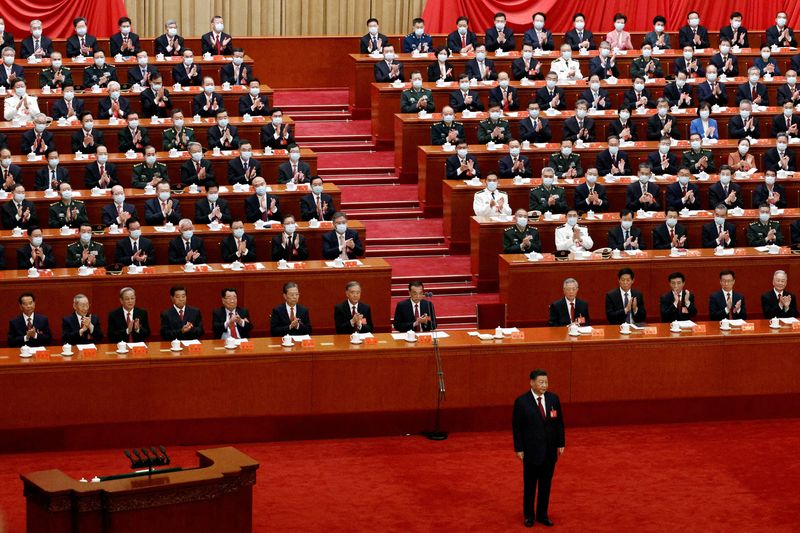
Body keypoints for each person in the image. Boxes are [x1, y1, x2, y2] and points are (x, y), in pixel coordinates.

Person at [512, 369, 565, 528]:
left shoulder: (553, 399)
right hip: (531, 451)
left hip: (549, 451)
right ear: (532, 383)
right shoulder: (522, 402)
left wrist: (561, 443)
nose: (544, 385)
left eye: (546, 382)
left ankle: (542, 514)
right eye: (541, 382)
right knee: (530, 485)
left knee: (545, 485)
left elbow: (559, 423)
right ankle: (529, 515)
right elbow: (517, 427)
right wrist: (519, 448)